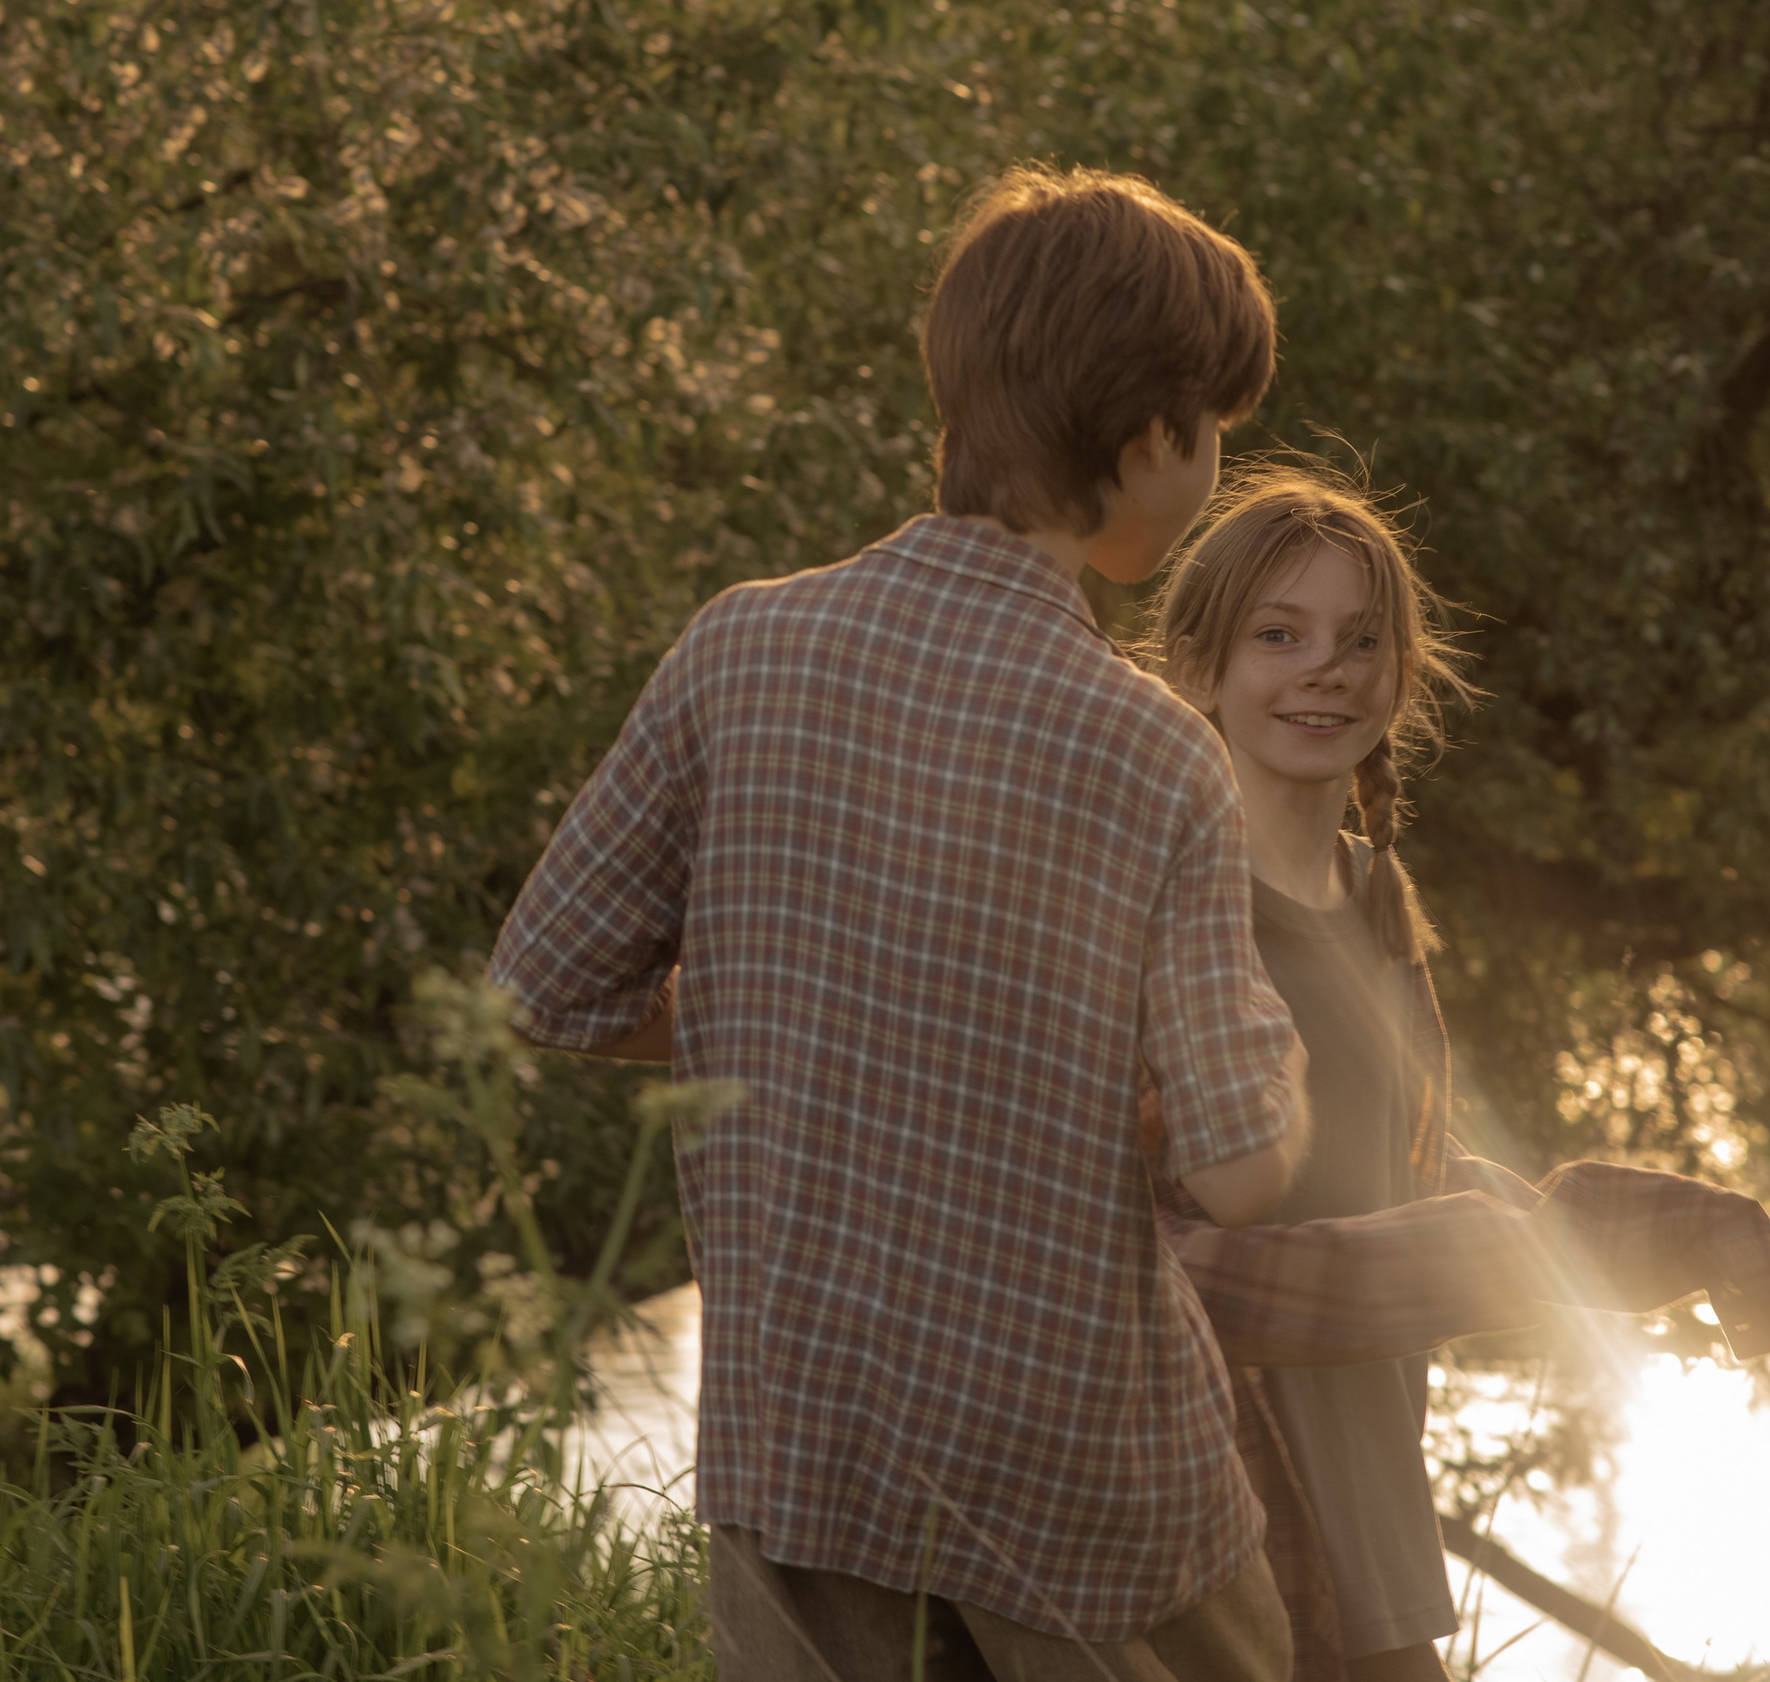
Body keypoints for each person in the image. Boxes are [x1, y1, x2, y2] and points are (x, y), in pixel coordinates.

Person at [488, 166, 1313, 1682]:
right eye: (1216, 440)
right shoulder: (1152, 753)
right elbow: (1242, 1167)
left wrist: (781, 1016)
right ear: (1146, 441)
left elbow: (542, 985)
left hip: (804, 1442)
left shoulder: (741, 646)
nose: (1213, 477)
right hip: (1079, 1487)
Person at [1143, 466, 1770, 1682]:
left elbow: (1409, 1176)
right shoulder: (1161, 911)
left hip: (1385, 1541)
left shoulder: (1376, 898)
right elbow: (1143, 1249)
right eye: (1277, 634)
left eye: (1363, 640)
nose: (1327, 669)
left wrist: (1652, 1236)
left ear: (1403, 674)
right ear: (1196, 667)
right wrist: (1462, 1253)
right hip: (1222, 1539)